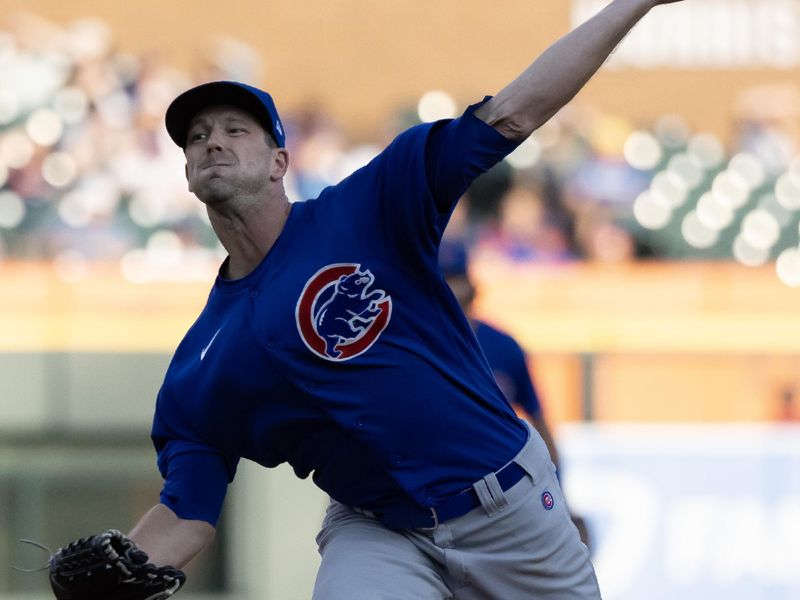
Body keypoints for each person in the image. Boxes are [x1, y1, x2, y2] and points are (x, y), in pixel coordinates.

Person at [52, 1, 684, 598]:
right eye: (195, 137)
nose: (211, 141)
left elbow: (513, 113)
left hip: (509, 510)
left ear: (279, 160)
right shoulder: (199, 367)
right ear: (187, 174)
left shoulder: (369, 208)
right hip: (380, 530)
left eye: (234, 129)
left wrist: (633, 5)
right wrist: (119, 570)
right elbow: (187, 513)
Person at [438, 237, 593, 549]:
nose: (454, 291)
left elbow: (539, 421)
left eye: (457, 280)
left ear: (471, 284)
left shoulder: (502, 345)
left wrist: (559, 495)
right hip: (441, 490)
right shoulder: (416, 348)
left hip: (498, 490)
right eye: (445, 281)